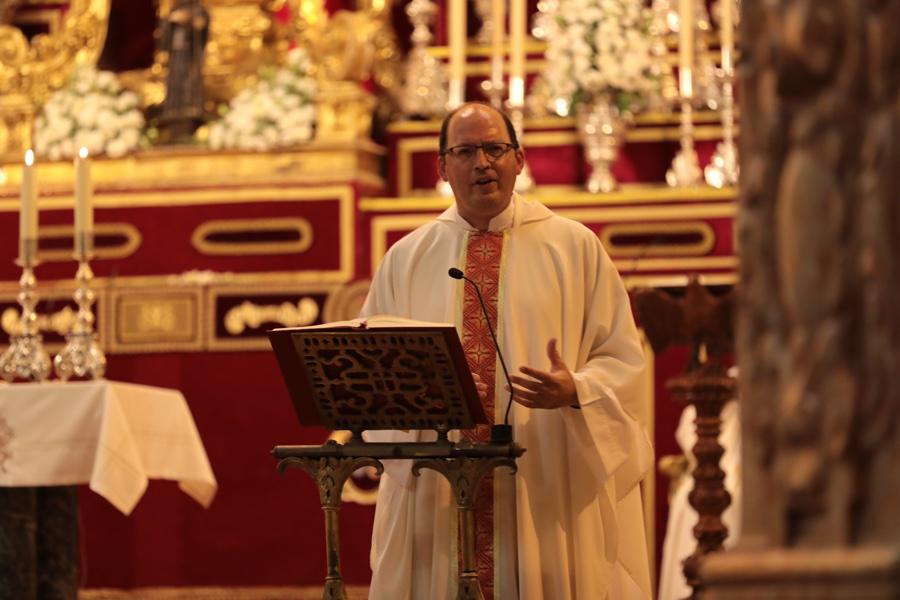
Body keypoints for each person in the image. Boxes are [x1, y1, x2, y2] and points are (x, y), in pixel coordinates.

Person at [361, 102, 653, 599]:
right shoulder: (407, 258)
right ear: (442, 166)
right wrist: (425, 393)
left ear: (519, 159)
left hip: (544, 474)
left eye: (495, 148)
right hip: (438, 487)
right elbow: (374, 374)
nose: (482, 163)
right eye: (466, 151)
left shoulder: (573, 247)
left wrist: (577, 390)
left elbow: (622, 359)